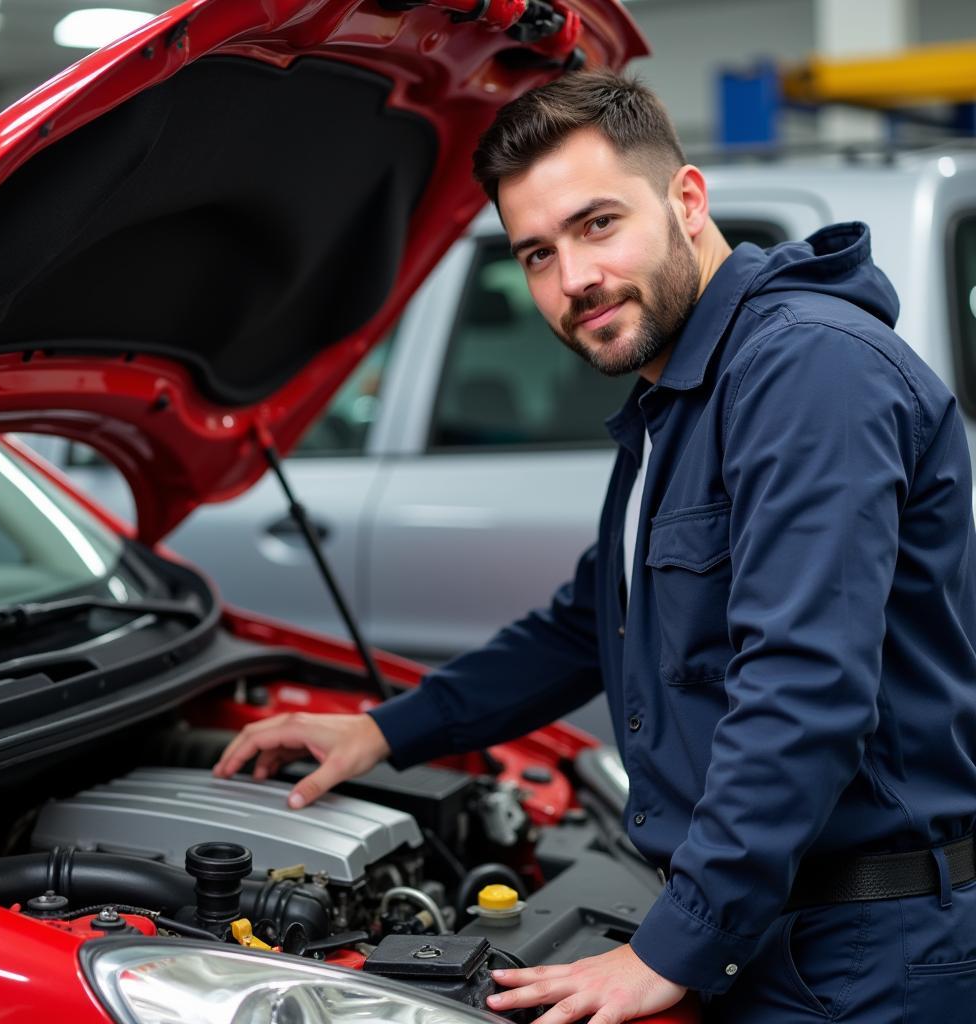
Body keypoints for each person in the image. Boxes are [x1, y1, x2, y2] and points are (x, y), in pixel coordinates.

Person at [213, 70, 976, 1022]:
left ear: (686, 200)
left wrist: (675, 944)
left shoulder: (806, 371)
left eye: (598, 224)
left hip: (865, 962)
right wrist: (383, 731)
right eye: (536, 253)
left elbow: (805, 684)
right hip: (777, 935)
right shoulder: (679, 397)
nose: (572, 279)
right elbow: (588, 625)